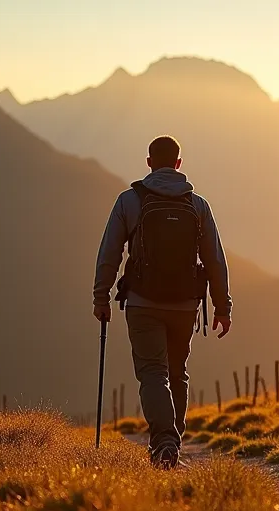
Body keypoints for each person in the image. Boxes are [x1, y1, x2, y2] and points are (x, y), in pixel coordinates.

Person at [93, 135, 232, 468]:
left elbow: (110, 252)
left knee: (153, 373)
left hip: (142, 302)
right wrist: (222, 306)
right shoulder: (197, 205)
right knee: (177, 372)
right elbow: (214, 260)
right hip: (185, 304)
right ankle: (172, 445)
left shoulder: (130, 201)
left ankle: (164, 443)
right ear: (179, 164)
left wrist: (101, 296)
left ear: (149, 162)